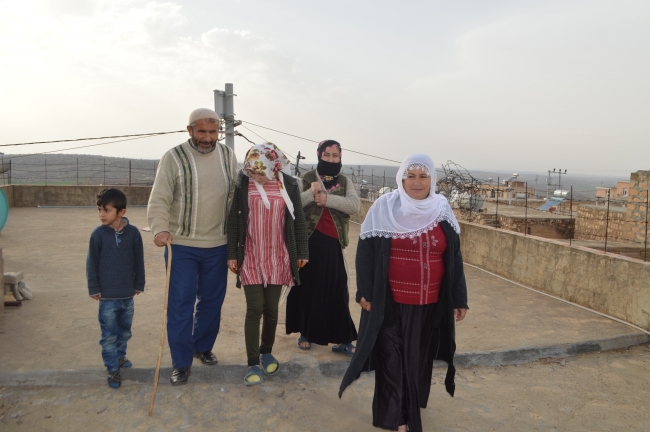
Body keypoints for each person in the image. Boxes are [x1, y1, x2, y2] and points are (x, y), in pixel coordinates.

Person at [339, 154, 469, 432]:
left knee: (416, 360)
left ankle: (410, 405)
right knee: (392, 359)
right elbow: (366, 251)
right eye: (411, 176)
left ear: (432, 179)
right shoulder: (385, 207)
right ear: (401, 179)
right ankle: (398, 419)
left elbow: (454, 259)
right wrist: (364, 291)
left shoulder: (443, 210)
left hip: (429, 305)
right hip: (390, 303)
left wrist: (459, 298)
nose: (417, 182)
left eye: (423, 176)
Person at [147, 108, 238, 386]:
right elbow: (160, 198)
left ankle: (202, 346)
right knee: (180, 304)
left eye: (213, 132)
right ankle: (181, 363)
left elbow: (238, 193)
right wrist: (160, 228)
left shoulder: (227, 156)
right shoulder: (173, 158)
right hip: (182, 245)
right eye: (202, 132)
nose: (208, 138)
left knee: (212, 302)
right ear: (190, 131)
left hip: (219, 244)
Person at [227, 143, 309, 386]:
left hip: (278, 256)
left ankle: (266, 352)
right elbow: (233, 222)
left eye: (260, 172)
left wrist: (302, 251)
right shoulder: (243, 185)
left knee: (271, 308)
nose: (256, 177)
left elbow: (299, 222)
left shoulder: (290, 185)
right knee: (255, 308)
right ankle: (253, 361)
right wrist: (232, 254)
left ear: (274, 167)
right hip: (251, 254)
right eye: (252, 171)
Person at [285, 139, 360, 353]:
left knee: (337, 288)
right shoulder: (306, 179)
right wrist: (311, 194)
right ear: (319, 155)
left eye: (335, 156)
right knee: (306, 287)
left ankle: (343, 338)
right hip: (308, 242)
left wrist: (327, 200)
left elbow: (354, 206)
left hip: (334, 243)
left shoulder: (345, 181)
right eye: (327, 156)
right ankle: (305, 332)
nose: (331, 159)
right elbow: (292, 204)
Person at [87, 188, 145, 389]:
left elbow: (139, 261)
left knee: (124, 331)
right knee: (109, 335)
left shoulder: (134, 233)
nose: (101, 214)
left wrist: (139, 284)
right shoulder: (98, 235)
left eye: (106, 210)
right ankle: (112, 369)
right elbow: (91, 264)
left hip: (127, 295)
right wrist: (94, 288)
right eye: (99, 210)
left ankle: (120, 357)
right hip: (107, 298)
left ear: (122, 212)